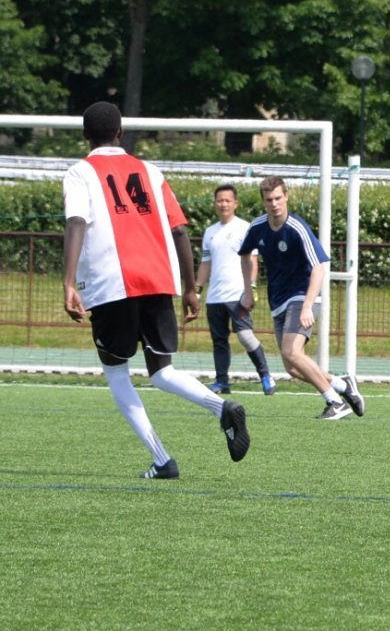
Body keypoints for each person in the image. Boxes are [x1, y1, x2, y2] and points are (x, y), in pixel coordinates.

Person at [61, 101, 249, 479]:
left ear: (85, 137)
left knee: (116, 373)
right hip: (159, 279)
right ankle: (221, 408)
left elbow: (77, 222)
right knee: (161, 371)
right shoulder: (150, 170)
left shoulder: (79, 172)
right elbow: (179, 230)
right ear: (120, 133)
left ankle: (162, 460)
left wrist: (67, 282)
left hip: (112, 285)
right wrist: (191, 288)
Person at [238, 176, 365, 421]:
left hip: (302, 297)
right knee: (292, 367)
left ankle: (335, 401)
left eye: (278, 198)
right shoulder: (258, 227)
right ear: (263, 202)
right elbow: (245, 255)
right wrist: (247, 289)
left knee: (292, 351)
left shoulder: (296, 227)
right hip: (278, 301)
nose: (274, 204)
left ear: (286, 196)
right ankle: (342, 384)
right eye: (269, 200)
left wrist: (308, 305)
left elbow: (319, 266)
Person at [196, 184, 276, 396]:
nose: (223, 204)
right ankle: (222, 382)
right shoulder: (209, 232)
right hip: (214, 297)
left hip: (237, 294)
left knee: (245, 336)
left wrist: (250, 287)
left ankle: (266, 376)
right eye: (220, 200)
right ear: (215, 204)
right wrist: (197, 290)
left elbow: (252, 260)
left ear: (235, 203)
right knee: (219, 341)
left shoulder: (245, 228)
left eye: (227, 200)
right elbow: (206, 263)